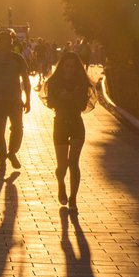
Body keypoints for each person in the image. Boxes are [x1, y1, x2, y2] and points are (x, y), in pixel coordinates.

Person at [42, 49, 95, 210]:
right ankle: (61, 184)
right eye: (67, 66)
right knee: (62, 165)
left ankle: (73, 198)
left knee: (74, 163)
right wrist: (61, 98)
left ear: (77, 68)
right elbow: (50, 103)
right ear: (62, 67)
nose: (69, 70)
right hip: (60, 124)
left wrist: (75, 96)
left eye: (73, 67)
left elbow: (83, 105)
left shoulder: (82, 83)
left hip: (76, 123)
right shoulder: (54, 82)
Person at [0, 29, 31, 176]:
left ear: (11, 42)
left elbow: (26, 80)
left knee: (18, 128)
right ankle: (2, 161)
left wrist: (28, 100)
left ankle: (12, 151)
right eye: (2, 41)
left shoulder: (18, 59)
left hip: (15, 100)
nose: (5, 44)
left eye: (8, 41)